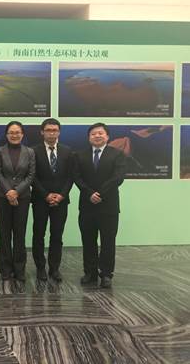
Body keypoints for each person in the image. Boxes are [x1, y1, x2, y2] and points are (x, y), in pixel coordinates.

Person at [74, 122, 126, 289]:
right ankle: (90, 272)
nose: (97, 136)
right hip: (87, 205)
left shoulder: (117, 154)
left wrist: (100, 194)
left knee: (108, 241)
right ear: (89, 137)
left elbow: (118, 177)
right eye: (93, 133)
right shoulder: (80, 155)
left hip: (108, 206)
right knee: (88, 240)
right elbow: (77, 177)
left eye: (100, 133)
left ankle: (106, 274)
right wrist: (89, 193)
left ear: (107, 136)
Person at [31, 118, 74, 282]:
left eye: (55, 130)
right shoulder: (33, 151)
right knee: (38, 235)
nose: (51, 133)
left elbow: (71, 176)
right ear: (42, 132)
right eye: (48, 130)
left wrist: (61, 195)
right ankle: (40, 267)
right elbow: (32, 176)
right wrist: (46, 195)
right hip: (40, 200)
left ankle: (54, 268)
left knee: (57, 235)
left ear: (59, 132)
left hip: (61, 201)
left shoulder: (67, 151)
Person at [0, 121, 35, 282]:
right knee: (4, 234)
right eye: (11, 132)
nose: (14, 135)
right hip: (2, 197)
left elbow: (30, 175)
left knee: (20, 233)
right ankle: (5, 269)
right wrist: (9, 192)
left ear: (22, 134)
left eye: (17, 132)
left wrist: (16, 192)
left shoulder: (30, 152)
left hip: (22, 198)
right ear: (6, 134)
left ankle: (19, 269)